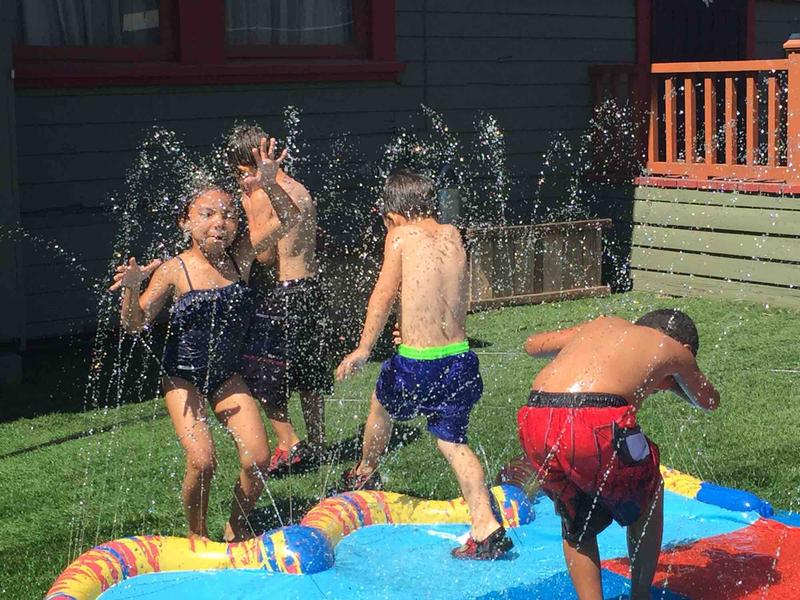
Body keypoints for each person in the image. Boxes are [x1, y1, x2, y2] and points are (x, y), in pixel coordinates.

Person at [110, 138, 299, 542]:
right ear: (186, 222)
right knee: (203, 460)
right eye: (208, 214)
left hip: (226, 374)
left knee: (260, 460)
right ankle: (197, 537)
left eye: (228, 214)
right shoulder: (174, 270)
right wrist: (130, 288)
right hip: (183, 377)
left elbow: (288, 217)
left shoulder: (240, 258)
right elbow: (134, 324)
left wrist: (270, 183)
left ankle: (234, 530)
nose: (220, 221)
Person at [335, 169, 513, 560]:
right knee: (453, 443)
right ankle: (485, 523)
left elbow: (383, 295)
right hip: (459, 358)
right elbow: (444, 295)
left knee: (380, 403)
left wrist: (364, 347)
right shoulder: (453, 234)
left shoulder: (399, 236)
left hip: (419, 363)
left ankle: (365, 470)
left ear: (394, 214)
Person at [518, 309, 720, 600]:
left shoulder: (602, 326)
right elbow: (709, 401)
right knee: (650, 489)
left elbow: (532, 345)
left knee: (576, 517)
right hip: (595, 420)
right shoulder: (674, 350)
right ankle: (640, 597)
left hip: (534, 418)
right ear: (686, 348)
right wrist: (676, 379)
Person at [226, 123, 332, 477]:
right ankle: (317, 441)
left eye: (238, 173)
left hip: (283, 293)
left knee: (264, 373)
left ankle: (289, 442)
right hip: (311, 290)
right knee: (309, 373)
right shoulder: (297, 188)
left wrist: (246, 205)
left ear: (247, 166)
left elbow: (266, 255)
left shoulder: (259, 194)